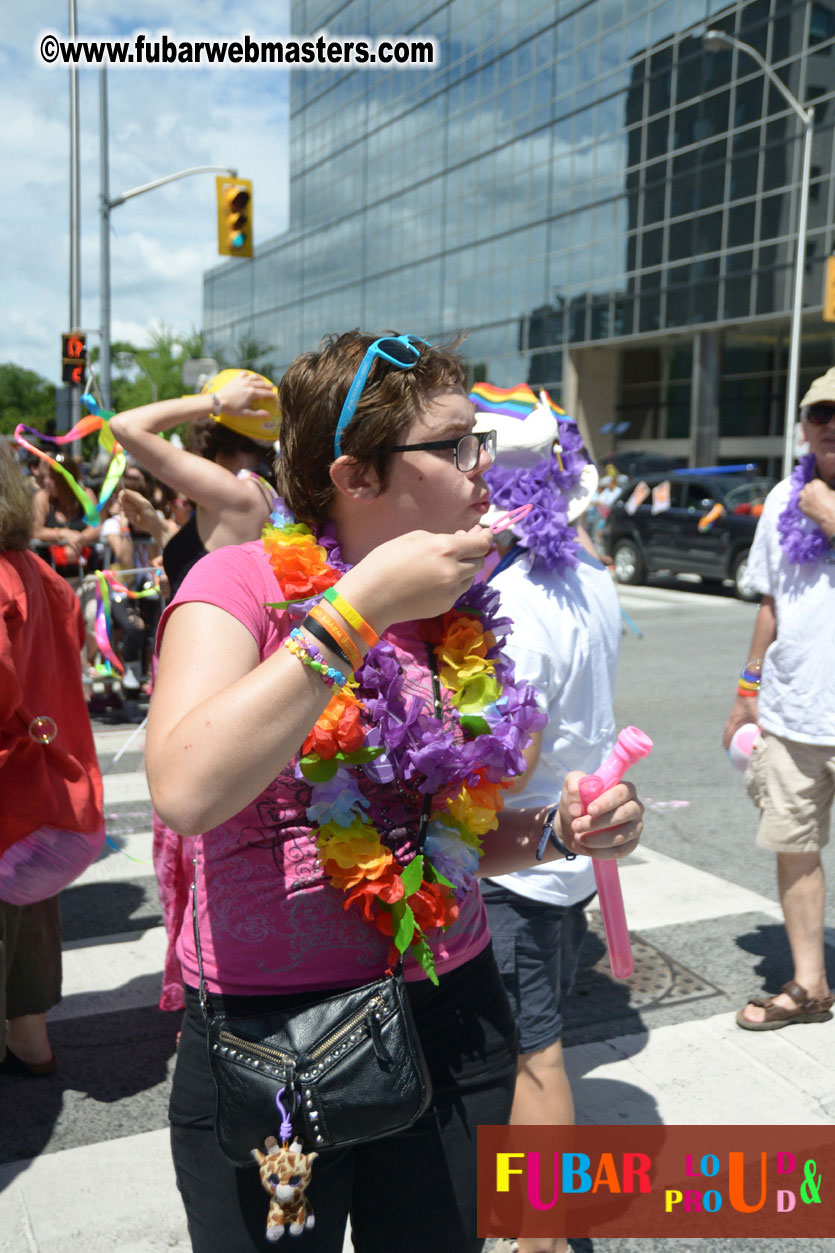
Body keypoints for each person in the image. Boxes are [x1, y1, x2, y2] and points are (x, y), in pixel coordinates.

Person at [144, 331, 644, 1253]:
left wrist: (560, 832)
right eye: (454, 445)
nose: (480, 467)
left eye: (478, 442)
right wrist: (357, 608)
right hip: (275, 1037)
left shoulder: (454, 609)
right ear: (356, 474)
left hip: (454, 1009)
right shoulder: (240, 584)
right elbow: (183, 787)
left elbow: (449, 836)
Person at [474, 396, 614, 1253]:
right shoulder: (589, 576)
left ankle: (542, 1237)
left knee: (538, 1053)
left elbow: (507, 762)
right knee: (539, 1037)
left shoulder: (516, 604)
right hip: (567, 851)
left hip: (522, 856)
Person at [724, 366, 835, 1030]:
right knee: (793, 846)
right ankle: (809, 983)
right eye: (819, 413)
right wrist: (746, 688)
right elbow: (771, 600)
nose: (830, 425)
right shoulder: (779, 500)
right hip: (794, 712)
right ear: (802, 426)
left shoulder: (816, 505)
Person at [0, 444, 104, 1077]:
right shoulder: (38, 571)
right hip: (45, 783)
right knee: (30, 909)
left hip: (11, 782)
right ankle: (30, 1038)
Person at [109, 369, 281, 597]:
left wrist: (215, 401)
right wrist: (157, 528)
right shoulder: (260, 489)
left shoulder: (234, 492)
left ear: (209, 431)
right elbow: (216, 565)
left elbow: (124, 425)